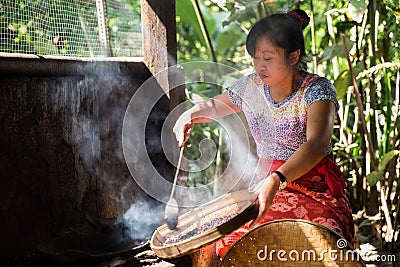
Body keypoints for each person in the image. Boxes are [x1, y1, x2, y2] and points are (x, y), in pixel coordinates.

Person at [173, 9, 354, 259]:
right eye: (256, 58)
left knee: (324, 246)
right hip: (263, 186)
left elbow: (316, 145)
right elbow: (215, 106)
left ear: (294, 56)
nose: (259, 66)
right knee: (229, 245)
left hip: (312, 186)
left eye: (267, 58)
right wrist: (190, 114)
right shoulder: (252, 87)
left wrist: (277, 179)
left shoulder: (317, 89)